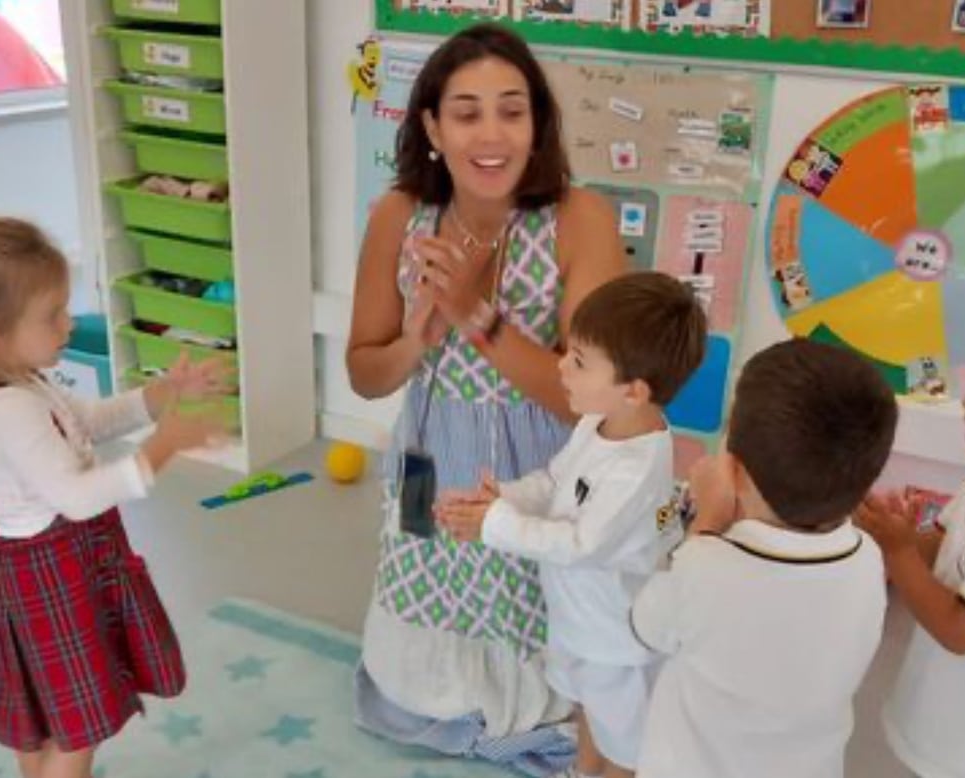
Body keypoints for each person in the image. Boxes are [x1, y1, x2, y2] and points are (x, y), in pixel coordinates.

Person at [345, 21, 625, 776]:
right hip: (426, 454)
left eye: (512, 109)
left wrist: (478, 316)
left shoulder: (581, 218)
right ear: (432, 126)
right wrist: (415, 340)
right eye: (466, 112)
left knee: (541, 605)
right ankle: (436, 696)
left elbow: (586, 405)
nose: (490, 133)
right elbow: (364, 374)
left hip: (539, 463)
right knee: (425, 578)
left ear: (538, 123)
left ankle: (536, 708)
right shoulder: (397, 215)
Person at [0, 217, 230, 778]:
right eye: (52, 315)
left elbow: (89, 422)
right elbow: (76, 498)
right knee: (82, 728)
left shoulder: (21, 381)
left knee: (49, 715)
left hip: (45, 575)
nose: (67, 322)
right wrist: (160, 450)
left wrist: (162, 395)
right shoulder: (5, 409)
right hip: (54, 576)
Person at [436, 272, 707, 778]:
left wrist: (496, 523)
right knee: (586, 709)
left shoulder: (634, 469)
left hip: (614, 636)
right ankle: (583, 770)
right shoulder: (597, 422)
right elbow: (555, 481)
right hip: (579, 621)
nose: (561, 366)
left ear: (633, 391)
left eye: (579, 362)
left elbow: (580, 543)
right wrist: (505, 498)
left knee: (623, 738)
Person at [631, 339, 899, 778]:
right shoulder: (868, 559)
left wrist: (702, 531)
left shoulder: (706, 564)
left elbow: (645, 626)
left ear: (732, 471)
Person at [854, 397, 965, 777]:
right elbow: (940, 546)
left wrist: (899, 549)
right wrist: (898, 533)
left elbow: (957, 629)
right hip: (931, 709)